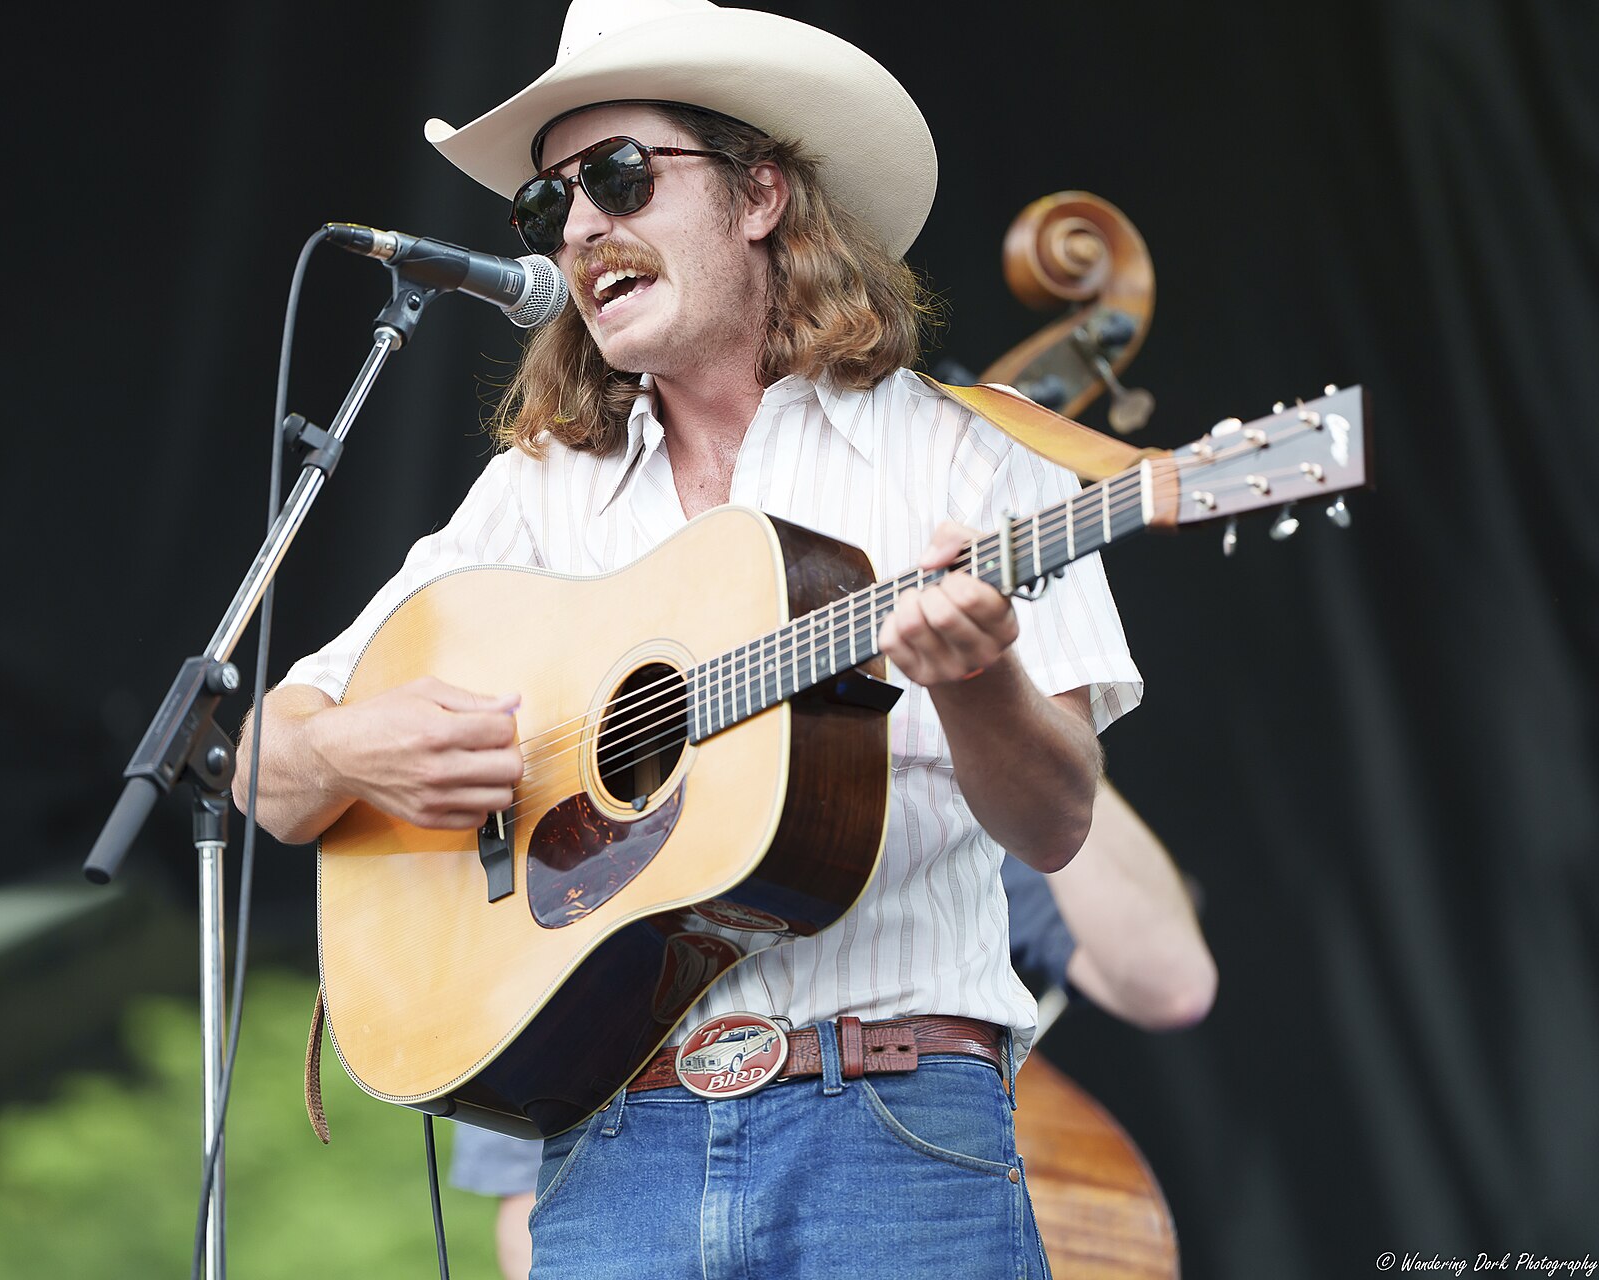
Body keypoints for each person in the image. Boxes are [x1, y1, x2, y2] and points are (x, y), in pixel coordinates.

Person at [237, 1, 1143, 1274]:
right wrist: (352, 753)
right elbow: (262, 765)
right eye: (548, 207)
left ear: (760, 192)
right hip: (614, 1153)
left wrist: (981, 675)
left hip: (891, 1134)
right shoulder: (538, 492)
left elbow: (1057, 823)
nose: (582, 227)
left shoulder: (968, 454)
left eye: (617, 176)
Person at [449, 779, 1216, 1280]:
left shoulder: (916, 800)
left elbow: (1171, 981)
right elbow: (529, 1206)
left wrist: (1044, 709)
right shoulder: (576, 860)